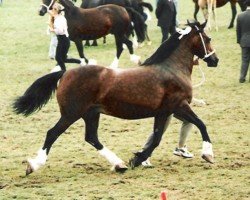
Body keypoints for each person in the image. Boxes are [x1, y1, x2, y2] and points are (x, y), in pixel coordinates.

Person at [48, 3, 83, 71]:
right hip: (63, 40)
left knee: (58, 58)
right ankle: (80, 62)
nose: (51, 10)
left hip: (63, 40)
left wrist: (52, 29)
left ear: (56, 10)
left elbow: (60, 31)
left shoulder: (59, 19)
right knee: (63, 59)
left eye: (53, 9)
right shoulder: (58, 17)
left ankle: (63, 71)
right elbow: (50, 12)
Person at [236, 0, 250, 83]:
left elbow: (238, 30)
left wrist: (239, 41)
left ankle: (242, 78)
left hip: (244, 41)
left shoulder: (240, 16)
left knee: (244, 60)